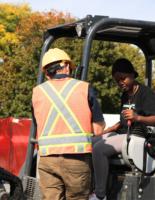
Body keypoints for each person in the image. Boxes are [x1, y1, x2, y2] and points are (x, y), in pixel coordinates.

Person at [31, 48, 106, 200]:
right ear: (66, 67)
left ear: (46, 73)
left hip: (47, 161)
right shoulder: (84, 87)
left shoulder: (37, 92)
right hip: (76, 160)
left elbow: (40, 123)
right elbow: (98, 130)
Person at [89, 58, 155, 200]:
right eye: (117, 81)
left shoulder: (146, 93)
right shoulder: (125, 94)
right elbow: (122, 121)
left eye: (123, 78)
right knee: (90, 142)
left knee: (99, 149)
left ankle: (100, 194)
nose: (120, 83)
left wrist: (137, 118)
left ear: (132, 74)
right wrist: (108, 130)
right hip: (124, 133)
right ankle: (90, 187)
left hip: (137, 136)